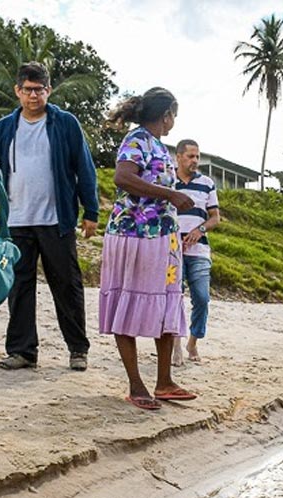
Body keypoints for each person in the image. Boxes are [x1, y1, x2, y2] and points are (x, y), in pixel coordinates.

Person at [0, 62, 99, 372]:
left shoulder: (65, 123)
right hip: (15, 221)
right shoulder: (5, 127)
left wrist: (91, 211)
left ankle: (77, 349)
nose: (34, 95)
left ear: (49, 90)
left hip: (55, 219)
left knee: (67, 285)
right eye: (28, 89)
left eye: (40, 89)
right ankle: (22, 351)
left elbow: (84, 168)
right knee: (19, 287)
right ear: (17, 91)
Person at [99, 87, 196, 410]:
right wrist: (170, 195)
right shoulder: (136, 140)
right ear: (166, 114)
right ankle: (136, 384)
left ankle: (164, 382)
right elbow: (123, 178)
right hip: (133, 235)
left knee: (167, 304)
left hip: (162, 238)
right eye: (174, 116)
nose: (173, 122)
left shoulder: (158, 146)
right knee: (127, 302)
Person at [170, 139, 220, 366]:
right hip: (171, 251)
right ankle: (176, 346)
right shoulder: (168, 180)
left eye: (197, 157)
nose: (195, 161)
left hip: (199, 250)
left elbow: (215, 217)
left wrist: (199, 230)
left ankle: (193, 340)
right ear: (179, 156)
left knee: (201, 297)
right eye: (190, 156)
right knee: (174, 298)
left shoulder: (207, 183)